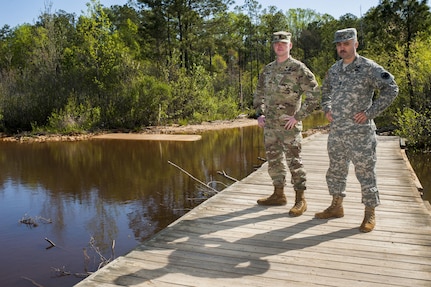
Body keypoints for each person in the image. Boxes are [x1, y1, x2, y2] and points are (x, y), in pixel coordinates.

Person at [314, 28, 399, 232]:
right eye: (339, 44)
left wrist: (370, 112)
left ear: (355, 44)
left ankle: (369, 213)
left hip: (360, 133)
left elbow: (391, 88)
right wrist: (327, 108)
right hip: (337, 132)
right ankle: (336, 206)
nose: (342, 48)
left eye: (346, 43)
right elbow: (325, 91)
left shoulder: (368, 68)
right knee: (336, 171)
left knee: (365, 173)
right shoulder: (334, 69)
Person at [253, 31, 320, 216]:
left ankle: (300, 200)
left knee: (294, 162)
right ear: (273, 46)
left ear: (290, 46)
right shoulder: (267, 70)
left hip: (289, 126)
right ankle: (278, 194)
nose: (279, 46)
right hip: (270, 126)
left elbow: (314, 94)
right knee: (274, 161)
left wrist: (298, 116)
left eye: (283, 43)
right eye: (276, 44)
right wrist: (259, 113)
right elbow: (259, 93)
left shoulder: (298, 68)